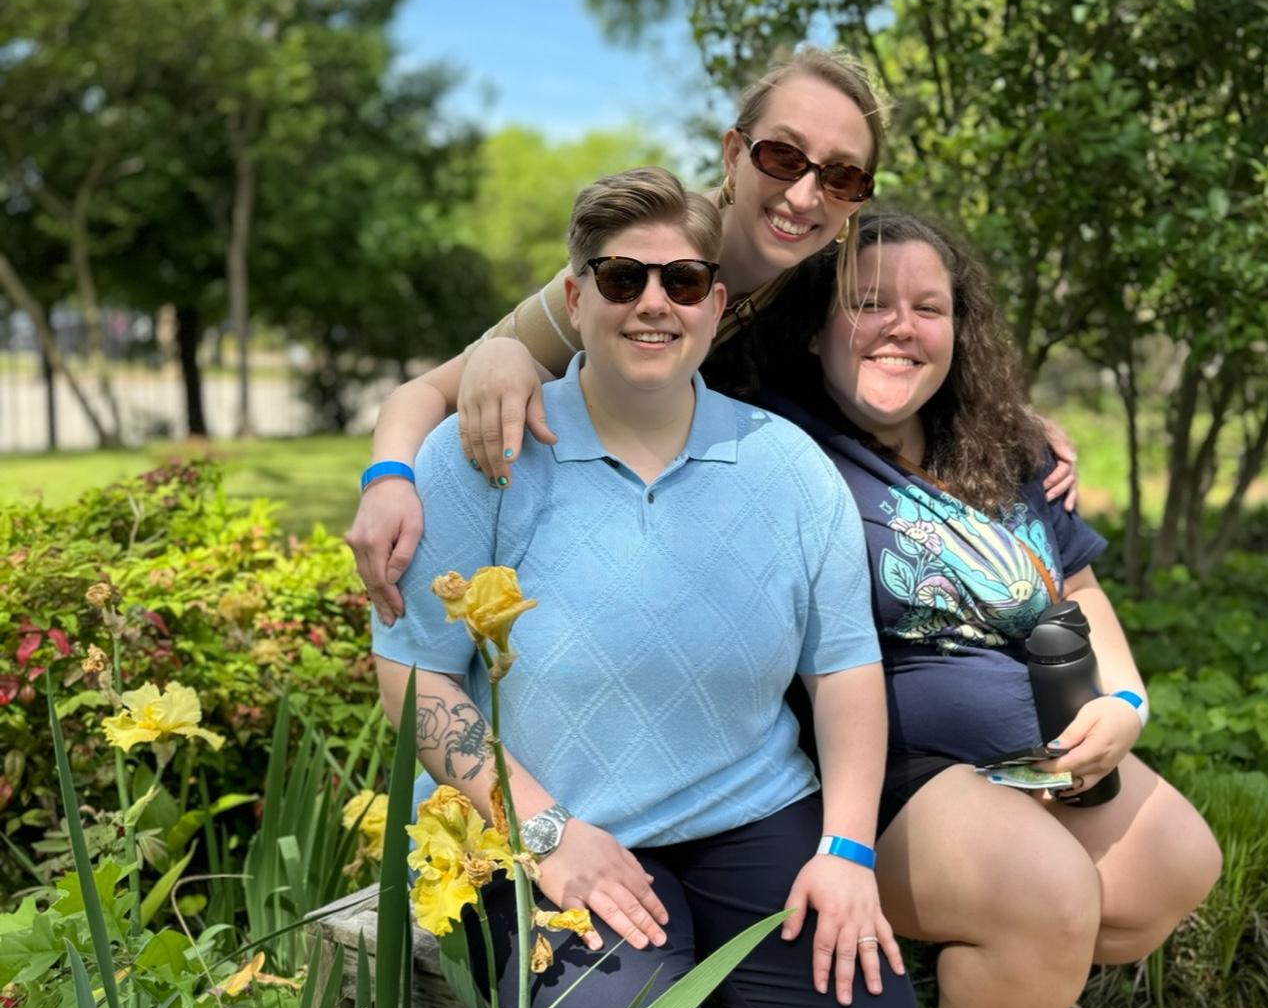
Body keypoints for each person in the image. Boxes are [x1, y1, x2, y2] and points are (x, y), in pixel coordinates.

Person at [371, 169, 928, 1008]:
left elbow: (844, 669)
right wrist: (542, 831)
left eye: (682, 279)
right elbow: (414, 673)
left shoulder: (785, 468)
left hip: (749, 812)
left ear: (718, 304)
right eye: (623, 279)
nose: (653, 303)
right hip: (554, 821)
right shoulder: (486, 456)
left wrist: (847, 848)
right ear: (576, 298)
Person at [748, 211, 1223, 1008]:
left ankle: (1027, 977)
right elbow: (637, 339)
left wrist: (1126, 700)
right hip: (886, 779)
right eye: (868, 302)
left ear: (959, 330)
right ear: (816, 325)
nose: (899, 326)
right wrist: (480, 378)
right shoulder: (772, 444)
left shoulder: (999, 444)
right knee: (1052, 893)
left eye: (928, 307)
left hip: (1034, 747)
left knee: (1173, 870)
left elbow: (1079, 588)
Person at [346, 47, 1081, 632]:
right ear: (734, 152)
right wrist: (390, 478)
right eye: (783, 157)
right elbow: (425, 394)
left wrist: (1010, 425)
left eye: (841, 177)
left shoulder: (823, 285)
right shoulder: (643, 265)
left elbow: (900, 362)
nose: (804, 195)